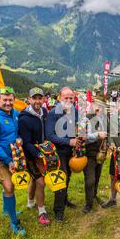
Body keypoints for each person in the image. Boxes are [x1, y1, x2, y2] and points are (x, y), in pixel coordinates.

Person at [0, 86, 26, 235]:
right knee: (10, 187)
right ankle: (14, 222)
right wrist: (8, 160)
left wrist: (20, 140)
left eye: (10, 100)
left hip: (14, 155)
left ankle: (7, 210)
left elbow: (17, 134)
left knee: (12, 186)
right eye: (4, 100)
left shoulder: (15, 114)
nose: (8, 103)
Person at [45, 86, 80, 222]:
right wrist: (68, 141)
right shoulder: (53, 113)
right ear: (59, 98)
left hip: (71, 151)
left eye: (71, 97)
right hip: (58, 151)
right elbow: (50, 135)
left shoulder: (75, 111)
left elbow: (78, 128)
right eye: (66, 97)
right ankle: (58, 211)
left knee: (68, 177)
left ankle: (64, 201)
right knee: (61, 180)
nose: (69, 100)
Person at [18, 87, 51, 226]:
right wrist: (38, 154)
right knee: (40, 182)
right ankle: (42, 211)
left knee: (34, 177)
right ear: (29, 99)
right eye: (34, 98)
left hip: (42, 150)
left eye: (40, 98)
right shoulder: (24, 118)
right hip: (30, 154)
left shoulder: (44, 111)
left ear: (44, 99)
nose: (37, 101)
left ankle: (30, 202)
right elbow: (25, 142)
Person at [82, 101, 107, 213]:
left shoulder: (104, 119)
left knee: (97, 177)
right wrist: (98, 135)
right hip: (89, 154)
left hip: (100, 154)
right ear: (91, 108)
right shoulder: (86, 119)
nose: (99, 111)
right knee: (90, 180)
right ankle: (88, 204)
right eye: (97, 109)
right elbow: (84, 137)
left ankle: (94, 196)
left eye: (101, 109)